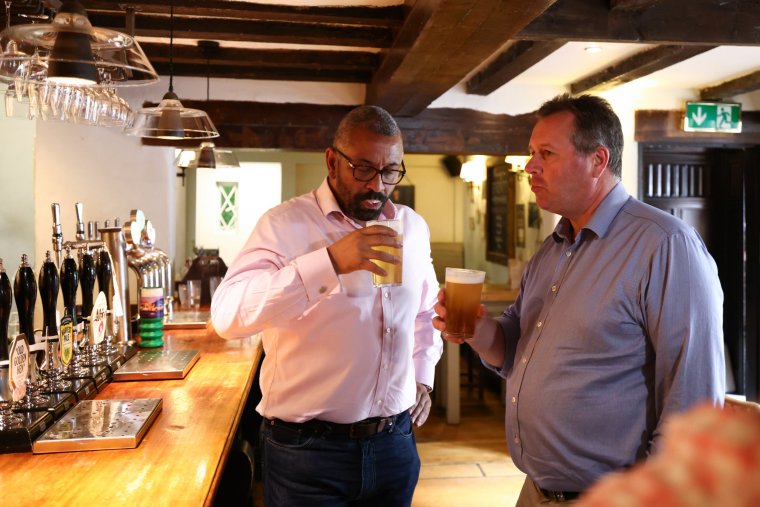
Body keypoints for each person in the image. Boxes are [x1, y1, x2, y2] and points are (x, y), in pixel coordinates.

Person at [432, 94, 725, 506]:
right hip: (536, 491)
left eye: (546, 154)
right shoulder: (551, 249)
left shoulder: (665, 245)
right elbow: (514, 351)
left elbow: (693, 397)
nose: (530, 166)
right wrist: (478, 331)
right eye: (532, 153)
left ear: (598, 161)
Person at [211, 105, 442, 506]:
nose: (378, 185)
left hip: (395, 445)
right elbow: (227, 315)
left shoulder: (413, 227)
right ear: (332, 161)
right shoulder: (284, 225)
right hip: (308, 453)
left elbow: (424, 311)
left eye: (390, 172)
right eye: (364, 168)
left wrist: (423, 375)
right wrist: (330, 262)